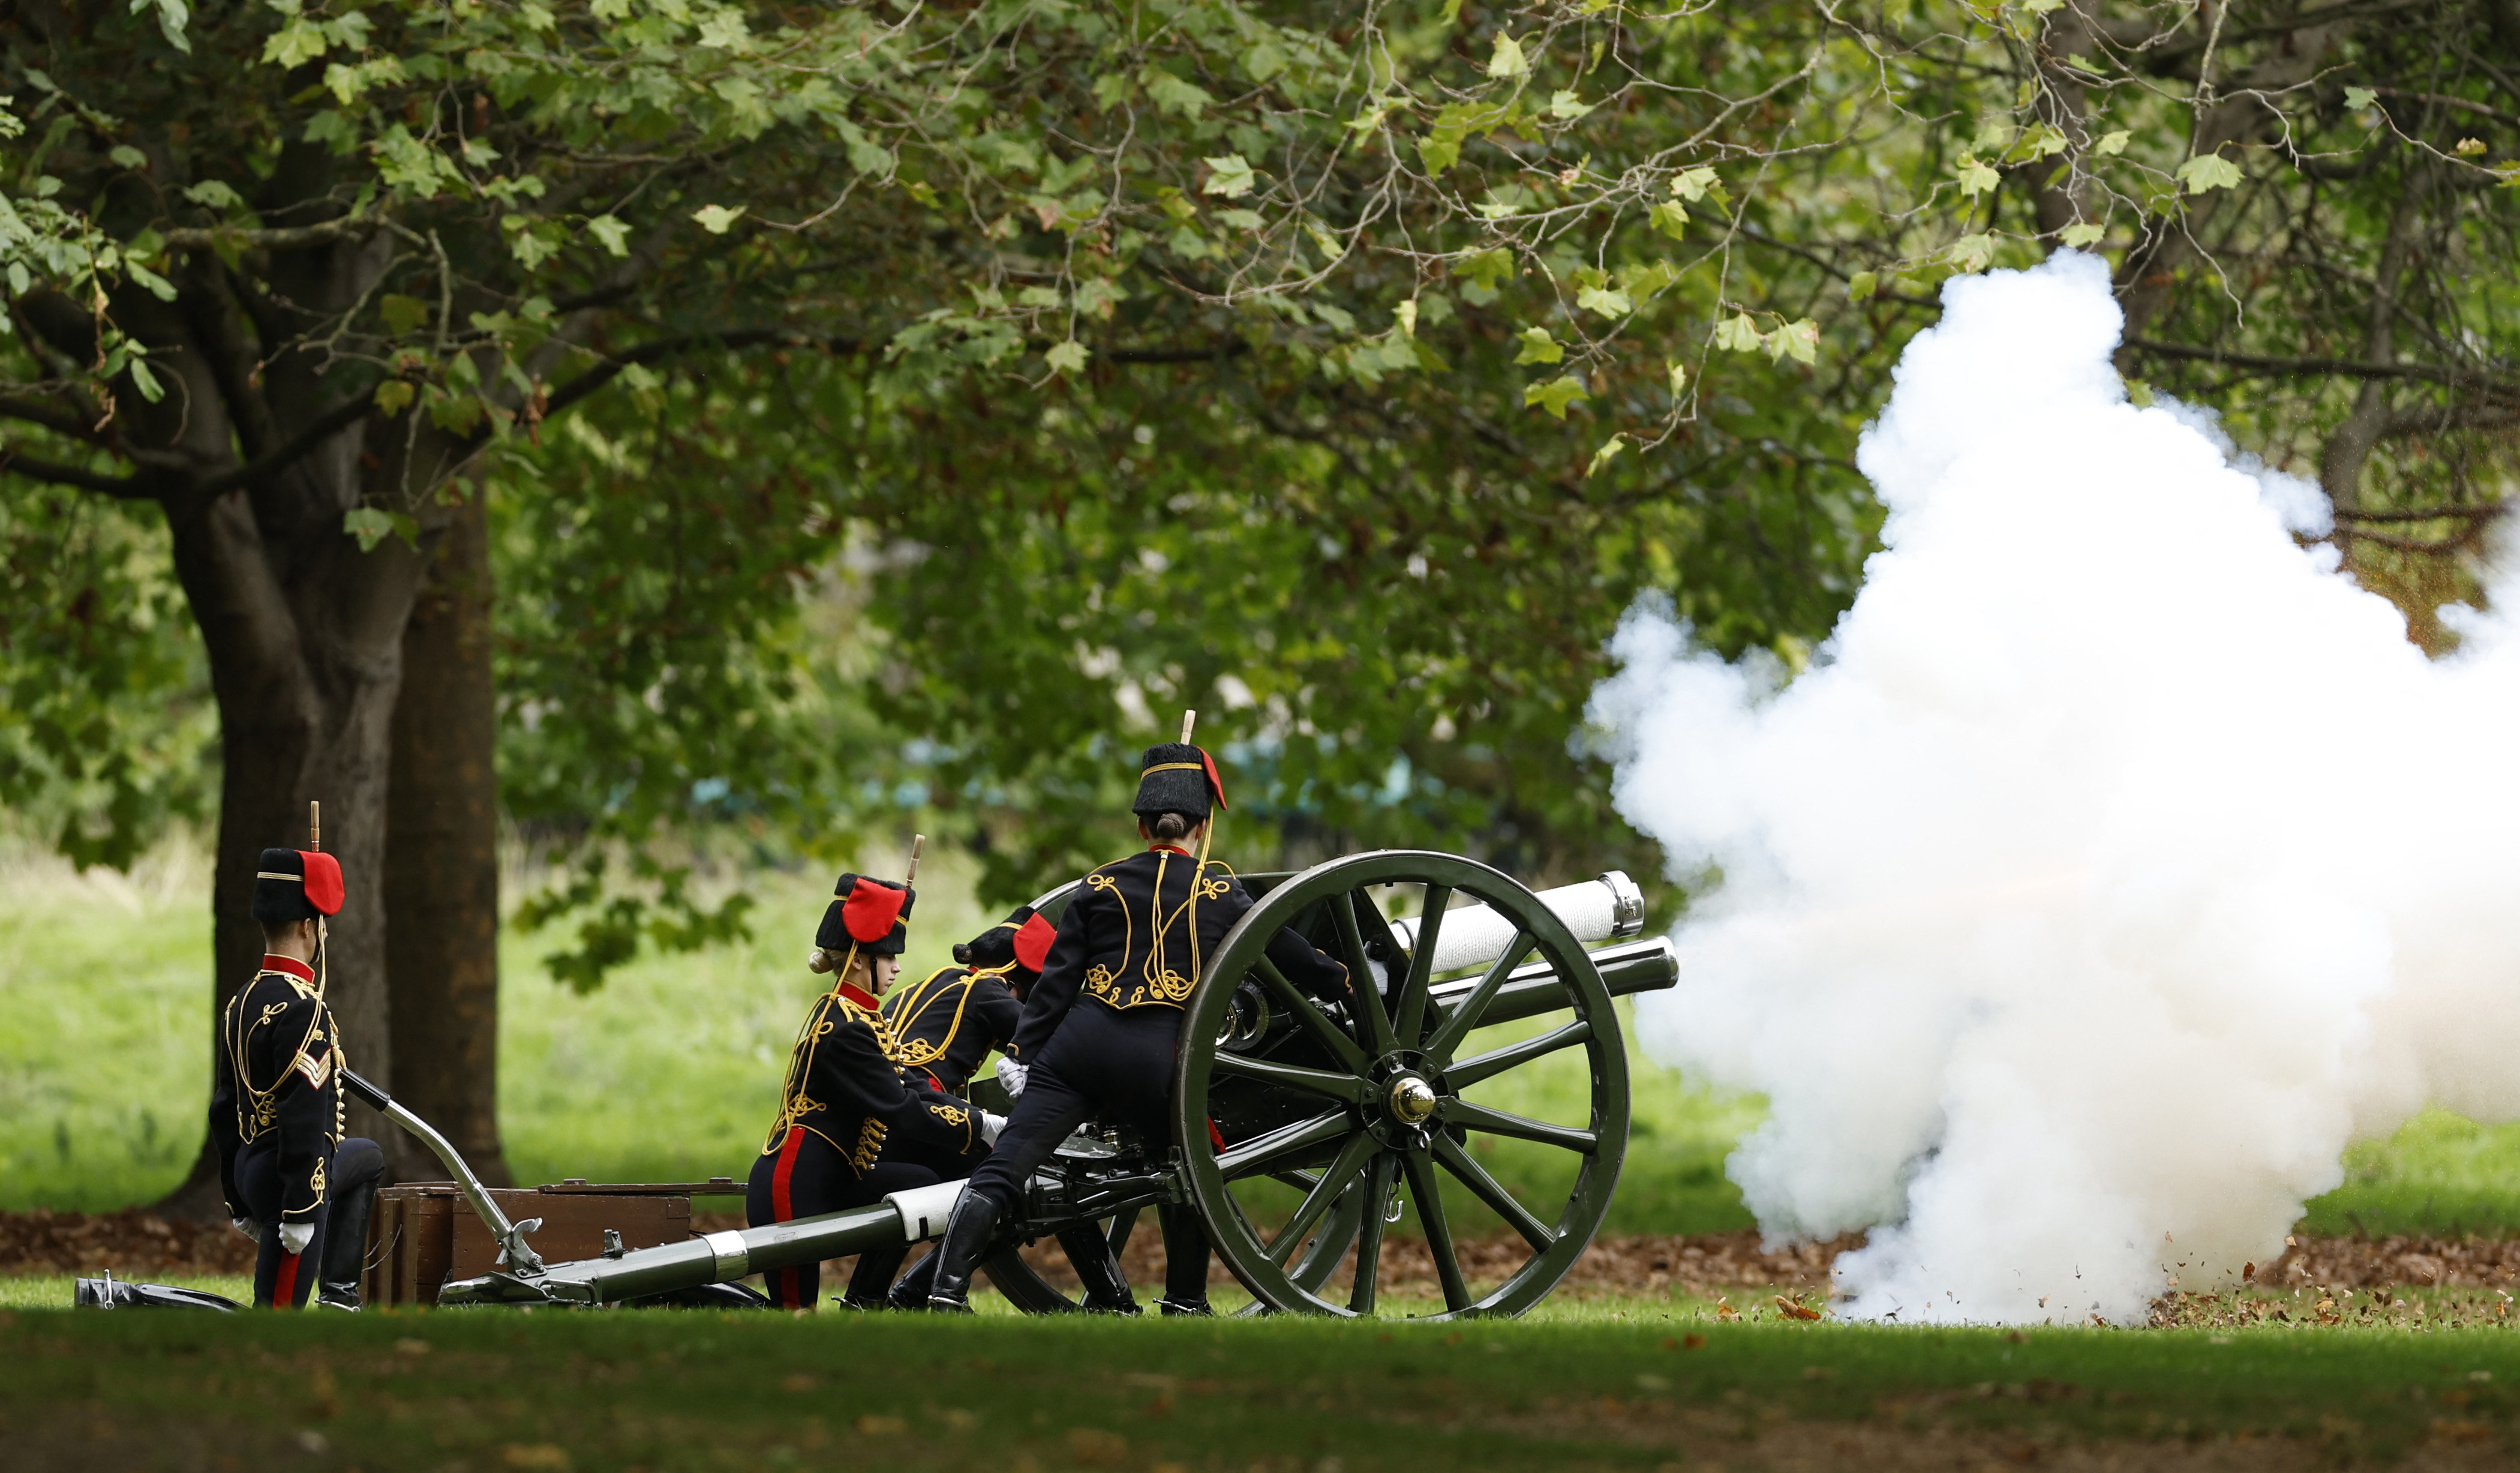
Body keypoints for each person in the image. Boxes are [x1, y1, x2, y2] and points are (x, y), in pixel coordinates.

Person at [920, 738, 1349, 1315]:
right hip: (1154, 1058)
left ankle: (945, 1293)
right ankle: (1185, 1300)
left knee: (1005, 1167)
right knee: (1191, 1165)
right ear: (1201, 825)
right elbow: (1288, 950)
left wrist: (1025, 1054)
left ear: (1144, 828)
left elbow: (1056, 985)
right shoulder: (1219, 890)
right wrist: (1338, 978)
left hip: (1077, 1049)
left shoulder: (1098, 884)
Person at [747, 870, 1003, 1310]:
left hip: (833, 1176)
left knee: (918, 1184)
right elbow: (902, 1108)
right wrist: (977, 1127)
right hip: (796, 1181)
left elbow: (913, 1087)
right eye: (889, 956)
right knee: (794, 1317)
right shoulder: (846, 1028)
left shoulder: (862, 1019)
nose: (898, 967)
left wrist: (980, 1122)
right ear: (861, 959)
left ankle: (865, 1298)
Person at [880, 907, 1137, 1312]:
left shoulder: (925, 986)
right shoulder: (986, 989)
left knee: (1007, 1183)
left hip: (889, 1123)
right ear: (1016, 977)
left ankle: (909, 1291)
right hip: (926, 1118)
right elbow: (1055, 1039)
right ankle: (1113, 1299)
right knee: (1037, 1175)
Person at [207, 845, 385, 1310]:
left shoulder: (240, 1001)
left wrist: (236, 1199)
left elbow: (225, 1107)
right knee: (275, 1320)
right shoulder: (307, 1010)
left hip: (250, 1170)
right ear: (309, 927)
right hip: (293, 1182)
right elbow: (304, 1118)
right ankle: (337, 1293)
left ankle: (341, 1297)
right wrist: (302, 1208)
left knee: (366, 1157)